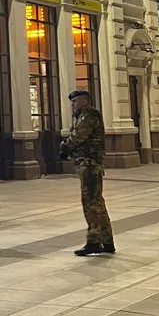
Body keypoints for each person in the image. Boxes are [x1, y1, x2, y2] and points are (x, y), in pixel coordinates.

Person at [60, 90, 115, 256]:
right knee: (97, 201)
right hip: (89, 163)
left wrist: (65, 147)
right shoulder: (84, 115)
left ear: (84, 101)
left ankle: (94, 241)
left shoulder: (88, 114)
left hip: (89, 163)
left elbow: (79, 135)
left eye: (75, 102)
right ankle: (106, 240)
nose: (72, 105)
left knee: (90, 201)